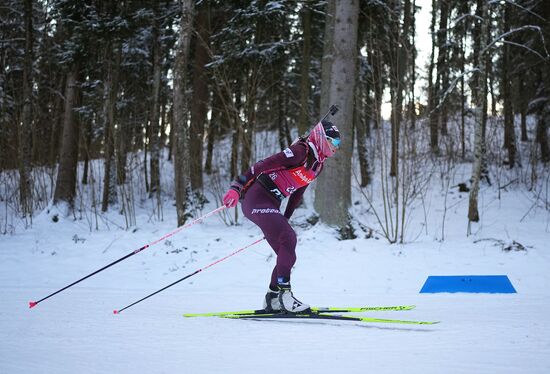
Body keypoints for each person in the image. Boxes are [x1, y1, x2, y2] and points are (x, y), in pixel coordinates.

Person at [222, 120, 341, 313]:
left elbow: (298, 193)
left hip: (272, 205)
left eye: (338, 145)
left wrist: (285, 218)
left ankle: (272, 298)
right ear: (320, 138)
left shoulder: (317, 165)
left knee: (287, 254)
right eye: (333, 143)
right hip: (256, 200)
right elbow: (262, 165)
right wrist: (236, 186)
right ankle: (286, 297)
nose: (335, 148)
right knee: (289, 239)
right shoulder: (300, 152)